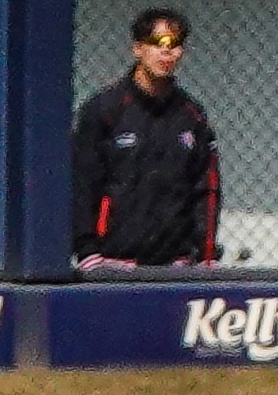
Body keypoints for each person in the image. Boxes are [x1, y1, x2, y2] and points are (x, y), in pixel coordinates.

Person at [71, 8, 220, 272]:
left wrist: (204, 254)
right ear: (138, 49)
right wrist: (87, 251)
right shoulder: (104, 110)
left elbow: (206, 190)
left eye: (175, 44)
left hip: (174, 265)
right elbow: (81, 183)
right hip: (111, 264)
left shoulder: (192, 117)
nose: (166, 52)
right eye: (158, 43)